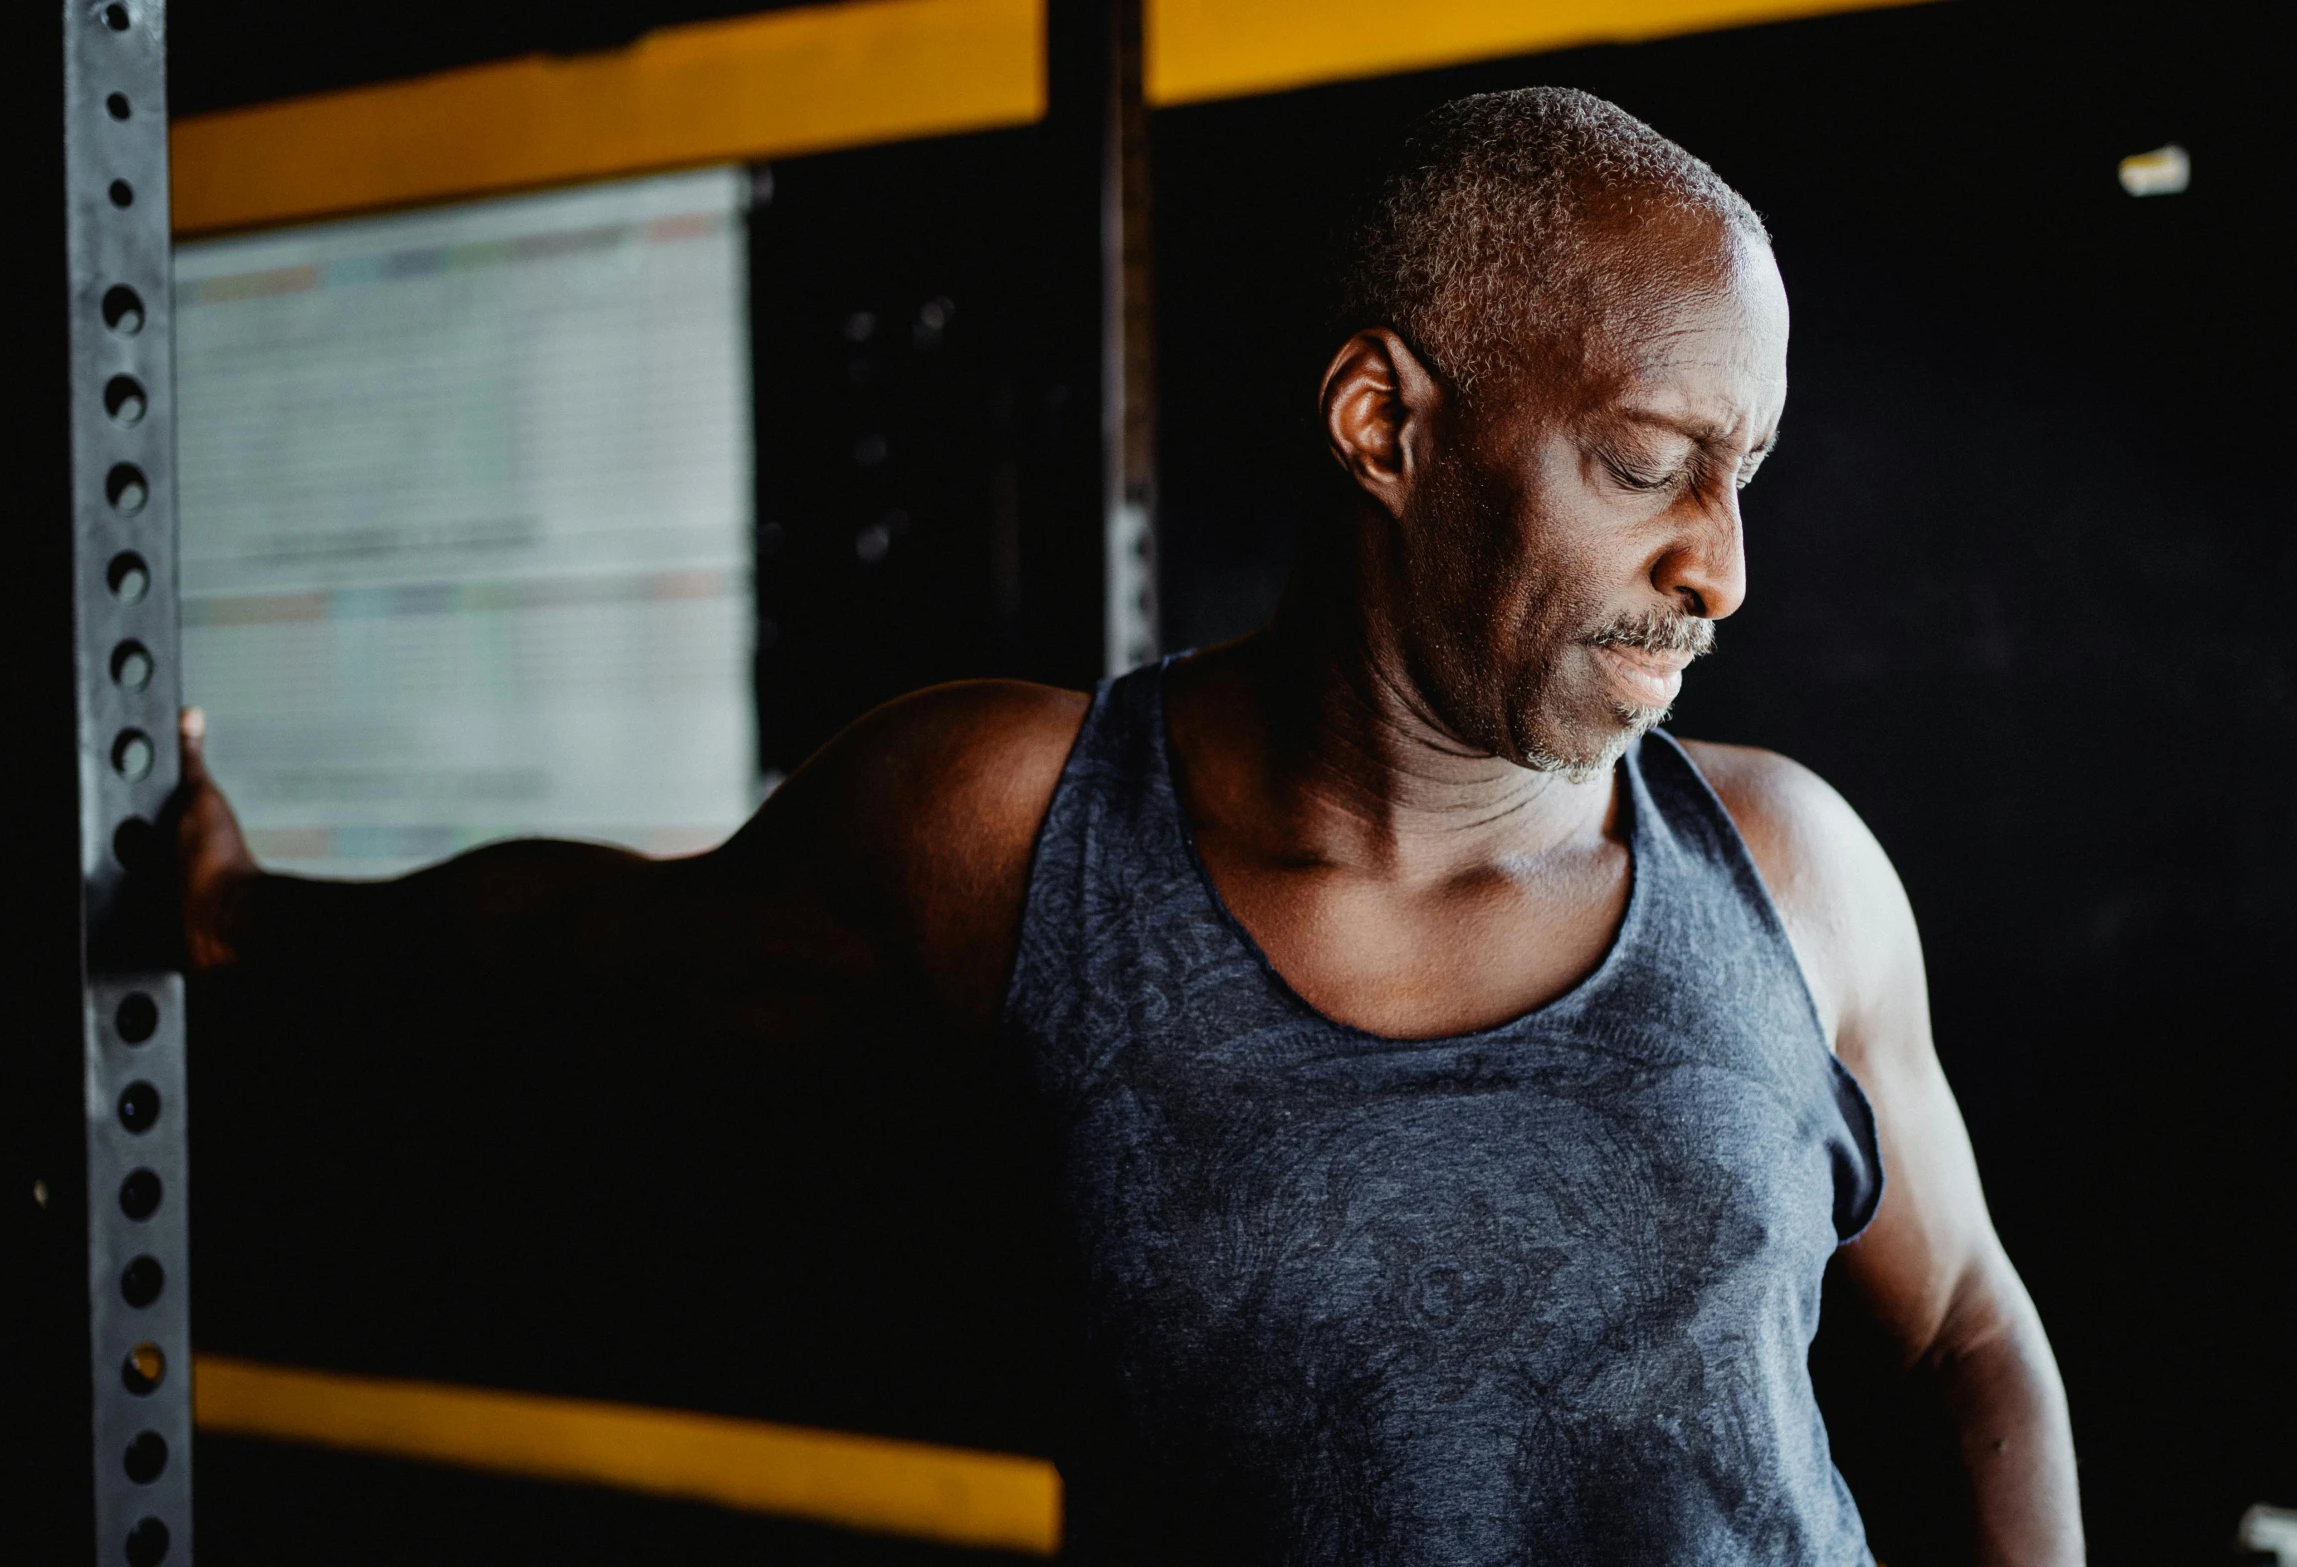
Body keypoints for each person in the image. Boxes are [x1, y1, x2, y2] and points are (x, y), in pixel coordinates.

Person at [175, 88, 2082, 1565]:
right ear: (1383, 424)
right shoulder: (1011, 832)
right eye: (1651, 464)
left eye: (1740, 479)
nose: (1721, 567)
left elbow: (1969, 1337)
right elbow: (600, 951)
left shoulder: (1789, 871)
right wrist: (255, 917)